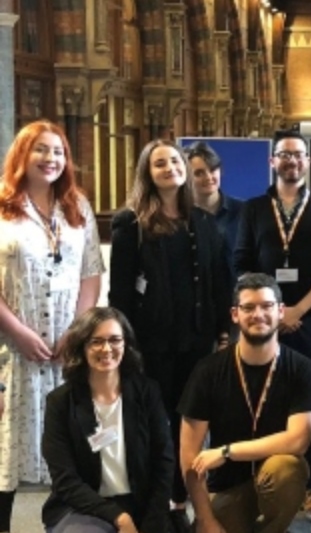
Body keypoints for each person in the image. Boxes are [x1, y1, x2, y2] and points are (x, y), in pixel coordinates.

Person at [108, 139, 231, 532]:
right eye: (159, 163)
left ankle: (180, 502)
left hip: (197, 343)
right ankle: (153, 505)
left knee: (188, 425)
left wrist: (224, 332)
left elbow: (220, 282)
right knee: (153, 427)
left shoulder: (205, 222)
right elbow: (120, 292)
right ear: (147, 171)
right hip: (149, 346)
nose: (170, 168)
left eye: (175, 161)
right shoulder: (130, 223)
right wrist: (122, 344)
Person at [234, 130, 311, 523]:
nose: (291, 161)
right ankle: (255, 483)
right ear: (273, 161)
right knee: (259, 398)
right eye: (284, 154)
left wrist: (297, 310)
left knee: (309, 403)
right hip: (263, 322)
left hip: (309, 321)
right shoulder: (253, 208)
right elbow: (242, 263)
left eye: (298, 155)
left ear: (308, 162)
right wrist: (273, 311)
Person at [0, 120, 104, 532]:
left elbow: (91, 274)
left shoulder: (77, 207)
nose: (51, 158)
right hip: (12, 346)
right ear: (22, 154)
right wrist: (17, 331)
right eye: (41, 149)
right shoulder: (2, 206)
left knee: (68, 446)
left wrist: (76, 332)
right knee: (6, 449)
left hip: (66, 347)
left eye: (58, 151)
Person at [178, 272, 311, 533]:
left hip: (275, 481)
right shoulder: (208, 370)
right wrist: (205, 519)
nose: (258, 314)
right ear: (235, 314)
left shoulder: (302, 368)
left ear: (280, 312)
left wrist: (227, 451)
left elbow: (298, 440)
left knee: (287, 469)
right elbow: (189, 455)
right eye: (248, 307)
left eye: (266, 306)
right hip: (226, 488)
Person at [41, 307, 173, 533]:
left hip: (141, 503)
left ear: (125, 344)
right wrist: (118, 517)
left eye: (115, 340)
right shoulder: (60, 402)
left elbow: (164, 461)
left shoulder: (147, 393)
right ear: (82, 347)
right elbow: (65, 480)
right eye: (96, 342)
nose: (107, 349)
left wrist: (153, 520)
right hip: (83, 507)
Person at [185, 141, 244, 286]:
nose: (208, 177)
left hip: (236, 294)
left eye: (212, 170)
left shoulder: (245, 212)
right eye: (199, 173)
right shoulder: (179, 216)